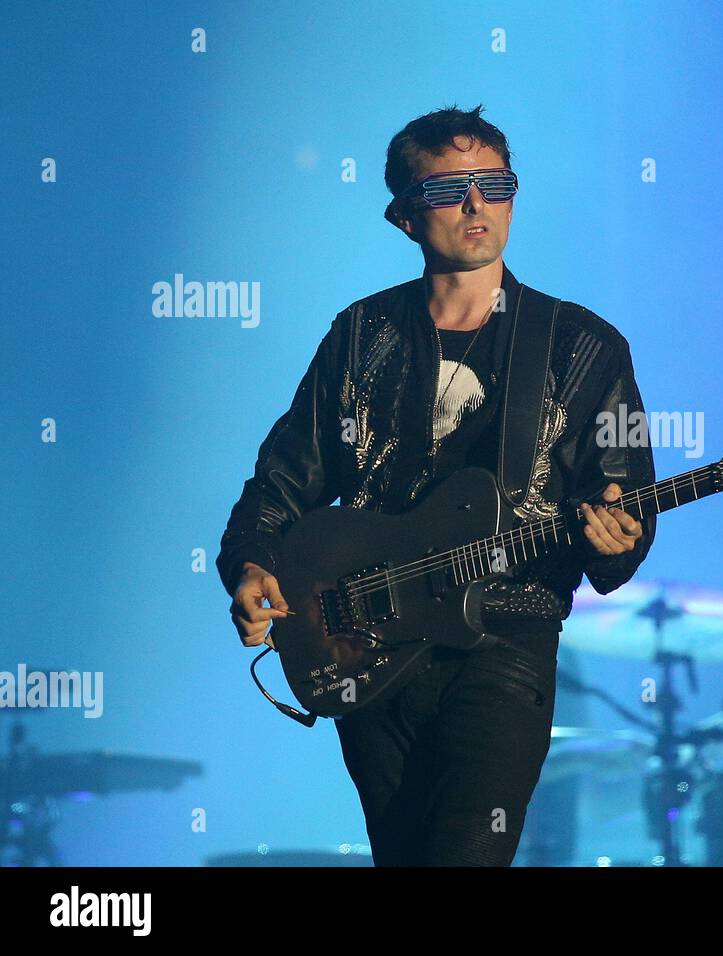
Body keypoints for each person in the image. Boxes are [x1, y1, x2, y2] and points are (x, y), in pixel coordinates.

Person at [216, 104, 656, 865]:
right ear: (405, 217)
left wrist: (618, 541)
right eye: (450, 190)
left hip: (505, 638)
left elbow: (621, 501)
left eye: (495, 183)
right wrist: (253, 562)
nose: (478, 205)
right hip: (366, 640)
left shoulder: (582, 347)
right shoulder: (361, 333)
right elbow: (287, 473)